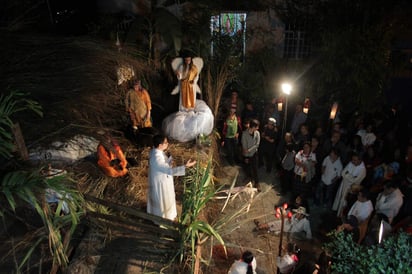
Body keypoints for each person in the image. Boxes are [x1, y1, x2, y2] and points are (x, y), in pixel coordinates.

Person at [147, 134, 196, 220]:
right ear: (160, 145)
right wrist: (185, 166)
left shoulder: (156, 151)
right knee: (163, 200)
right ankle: (163, 219)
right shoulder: (156, 158)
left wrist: (169, 162)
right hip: (161, 183)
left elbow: (163, 166)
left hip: (161, 179)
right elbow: (169, 171)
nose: (167, 143)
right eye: (165, 142)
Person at [332, 152, 366, 217]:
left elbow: (355, 181)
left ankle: (339, 215)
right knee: (339, 197)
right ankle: (335, 211)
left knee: (344, 202)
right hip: (343, 184)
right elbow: (343, 173)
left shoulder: (363, 170)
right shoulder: (351, 163)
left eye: (355, 160)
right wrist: (350, 176)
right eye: (352, 159)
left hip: (350, 188)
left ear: (360, 160)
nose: (352, 161)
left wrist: (347, 175)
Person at [241, 119, 260, 188]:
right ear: (253, 127)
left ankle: (257, 182)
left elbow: (257, 144)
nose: (258, 128)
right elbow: (244, 146)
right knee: (248, 167)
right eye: (257, 127)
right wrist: (246, 156)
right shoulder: (244, 134)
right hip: (247, 155)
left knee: (255, 168)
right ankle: (249, 179)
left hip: (254, 154)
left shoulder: (257, 133)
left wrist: (249, 150)